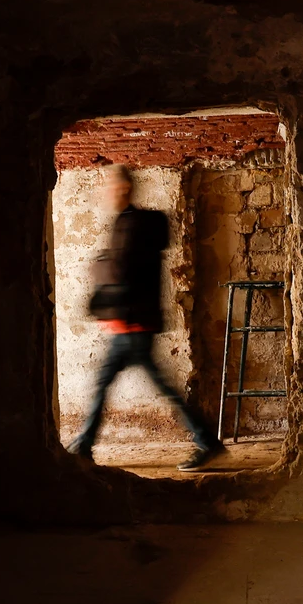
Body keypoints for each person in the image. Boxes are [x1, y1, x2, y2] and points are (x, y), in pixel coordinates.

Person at [71, 164, 226, 471]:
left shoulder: (135, 226)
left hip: (133, 326)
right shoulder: (126, 223)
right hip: (128, 324)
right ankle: (85, 445)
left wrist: (108, 282)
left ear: (124, 189)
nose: (106, 194)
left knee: (137, 385)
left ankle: (206, 441)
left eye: (111, 187)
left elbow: (129, 275)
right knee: (127, 384)